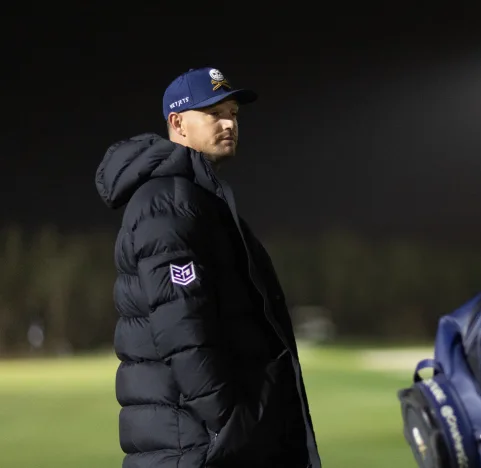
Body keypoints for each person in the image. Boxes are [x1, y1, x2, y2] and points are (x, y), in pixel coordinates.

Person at [95, 67, 320, 468]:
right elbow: (181, 325)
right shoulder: (167, 199)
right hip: (192, 448)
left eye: (233, 113)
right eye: (214, 113)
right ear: (177, 123)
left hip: (194, 442)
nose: (230, 123)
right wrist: (228, 422)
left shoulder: (193, 197)